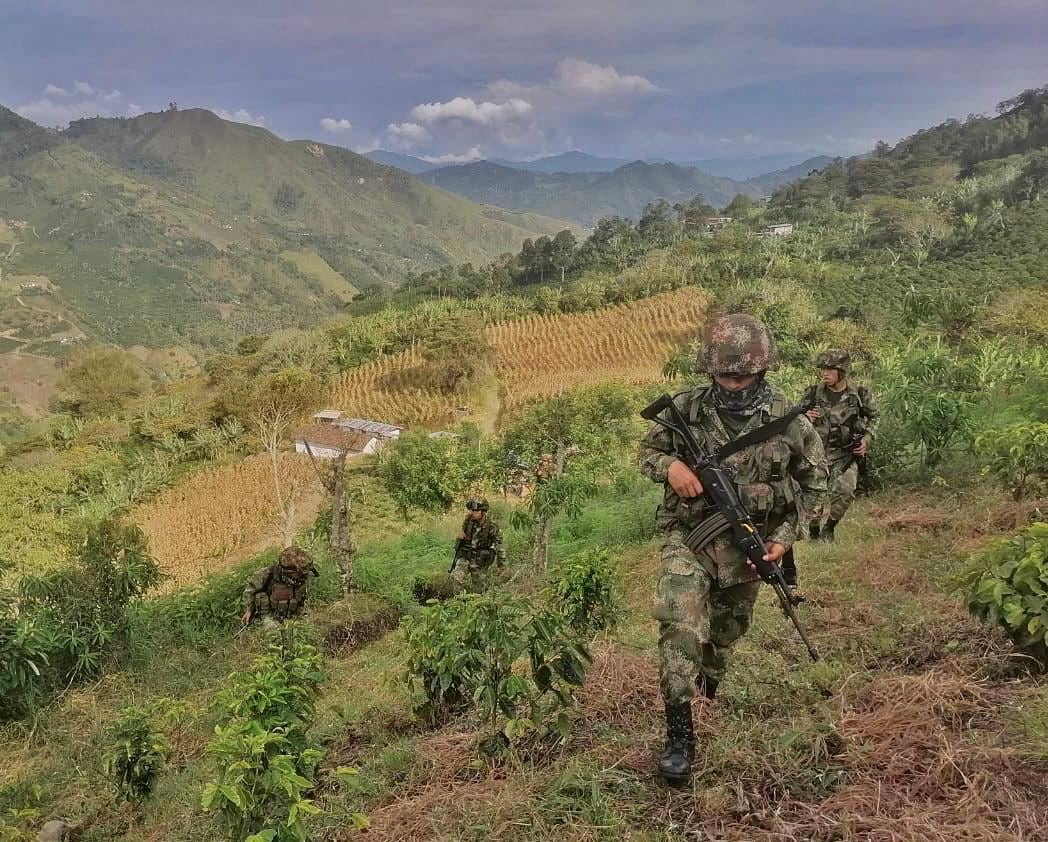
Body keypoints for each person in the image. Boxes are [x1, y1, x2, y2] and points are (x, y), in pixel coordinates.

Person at [639, 313, 826, 782]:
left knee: (724, 634)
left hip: (750, 549)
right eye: (724, 374)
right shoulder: (687, 408)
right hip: (689, 540)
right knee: (679, 626)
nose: (732, 384)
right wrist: (669, 467)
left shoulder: (788, 421)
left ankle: (710, 680)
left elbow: (816, 486)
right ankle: (679, 735)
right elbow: (646, 452)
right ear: (710, 370)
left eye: (742, 375)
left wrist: (782, 540)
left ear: (762, 369)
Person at [802, 349, 880, 543]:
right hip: (816, 454)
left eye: (830, 370)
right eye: (823, 370)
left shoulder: (859, 394)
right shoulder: (813, 393)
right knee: (815, 497)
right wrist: (804, 418)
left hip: (845, 454)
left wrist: (867, 439)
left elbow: (874, 416)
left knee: (846, 492)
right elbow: (791, 419)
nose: (824, 374)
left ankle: (829, 529)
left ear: (842, 372)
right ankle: (813, 531)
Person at [241, 546, 318, 629]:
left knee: (309, 627)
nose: (303, 575)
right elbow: (250, 591)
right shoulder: (268, 574)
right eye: (298, 573)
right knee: (273, 633)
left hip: (294, 614)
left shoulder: (303, 576)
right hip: (270, 616)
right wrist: (248, 610)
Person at [451, 497, 505, 592]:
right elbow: (462, 535)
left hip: (480, 560)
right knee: (456, 577)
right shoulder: (468, 521)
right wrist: (460, 536)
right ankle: (460, 602)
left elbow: (499, 546)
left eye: (476, 511)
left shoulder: (492, 526)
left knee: (479, 590)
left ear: (483, 512)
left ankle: (476, 604)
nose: (473, 513)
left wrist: (501, 566)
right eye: (472, 510)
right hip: (466, 555)